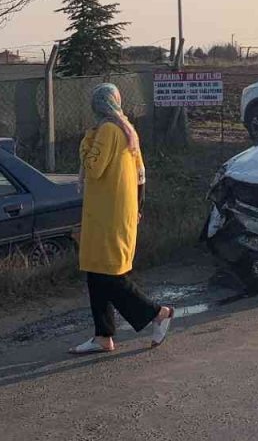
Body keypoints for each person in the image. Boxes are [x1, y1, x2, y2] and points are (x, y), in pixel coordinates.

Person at [70, 83, 173, 354]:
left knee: (110, 275)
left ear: (98, 105)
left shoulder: (106, 130)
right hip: (119, 211)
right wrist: (137, 208)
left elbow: (93, 168)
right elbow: (141, 175)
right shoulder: (129, 131)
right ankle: (103, 336)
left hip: (107, 214)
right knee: (96, 272)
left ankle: (157, 313)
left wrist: (85, 142)